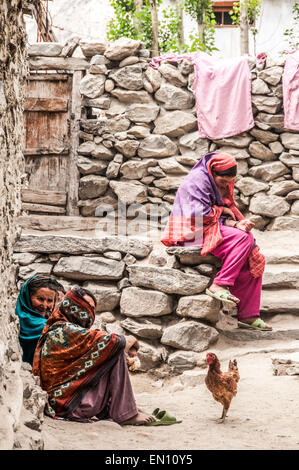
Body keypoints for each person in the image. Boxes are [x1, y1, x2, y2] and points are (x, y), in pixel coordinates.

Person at [161, 151, 272, 331]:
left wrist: (236, 223)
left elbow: (220, 214)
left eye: (230, 182)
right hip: (190, 232)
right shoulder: (196, 182)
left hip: (207, 227)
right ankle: (220, 284)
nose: (227, 186)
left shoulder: (215, 182)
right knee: (242, 239)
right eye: (223, 182)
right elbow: (197, 215)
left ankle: (249, 314)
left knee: (251, 248)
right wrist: (222, 212)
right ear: (213, 173)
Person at [32, 286, 156, 425]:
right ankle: (126, 413)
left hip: (68, 400)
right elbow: (116, 342)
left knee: (106, 353)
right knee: (113, 350)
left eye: (92, 307)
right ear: (72, 306)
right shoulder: (64, 330)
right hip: (68, 406)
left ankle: (123, 408)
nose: (89, 312)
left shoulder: (64, 328)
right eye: (85, 306)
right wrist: (133, 341)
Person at [15, 275, 66, 365]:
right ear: (27, 296)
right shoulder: (35, 323)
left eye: (50, 300)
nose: (45, 305)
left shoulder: (46, 319)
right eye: (40, 299)